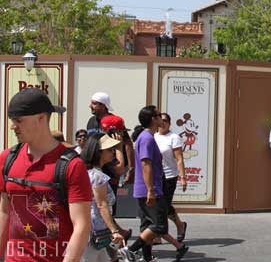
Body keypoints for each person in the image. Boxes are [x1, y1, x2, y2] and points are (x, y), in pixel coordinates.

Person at [0, 88, 92, 262]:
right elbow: (4, 213)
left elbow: (82, 225)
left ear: (41, 118)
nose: (13, 126)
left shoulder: (71, 165)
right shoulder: (7, 159)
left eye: (18, 120)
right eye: (12, 121)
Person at [118, 106, 188, 262]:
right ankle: (129, 250)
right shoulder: (147, 138)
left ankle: (147, 257)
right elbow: (146, 164)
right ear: (152, 120)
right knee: (159, 225)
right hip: (149, 189)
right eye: (158, 116)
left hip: (153, 187)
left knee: (149, 224)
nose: (161, 119)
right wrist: (150, 190)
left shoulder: (148, 137)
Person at [80, 133, 126, 262]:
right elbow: (102, 205)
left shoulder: (88, 172)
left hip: (91, 230)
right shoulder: (98, 176)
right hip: (94, 233)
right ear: (98, 152)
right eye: (109, 150)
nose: (113, 152)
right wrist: (115, 231)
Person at [155, 113, 188, 241]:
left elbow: (179, 159)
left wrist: (183, 177)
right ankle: (161, 233)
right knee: (159, 206)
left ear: (169, 123)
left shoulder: (173, 137)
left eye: (165, 121)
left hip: (169, 176)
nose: (162, 123)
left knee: (165, 206)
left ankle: (178, 226)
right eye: (160, 120)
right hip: (156, 176)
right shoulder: (153, 136)